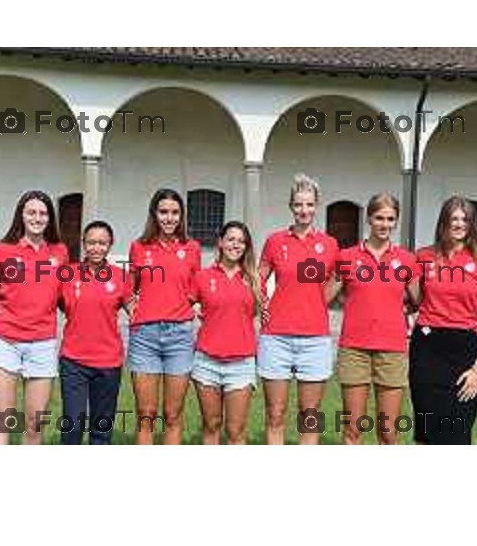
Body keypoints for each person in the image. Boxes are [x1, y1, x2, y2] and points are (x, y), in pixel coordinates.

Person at [0, 190, 68, 445]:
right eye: (31, 212)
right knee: (5, 418)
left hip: (43, 345)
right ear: (21, 216)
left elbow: (64, 298)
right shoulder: (2, 250)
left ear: (50, 217)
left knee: (35, 425)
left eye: (43, 213)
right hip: (4, 342)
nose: (38, 218)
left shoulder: (59, 252)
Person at [408, 195, 477, 445]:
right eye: (454, 218)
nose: (459, 224)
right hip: (426, 349)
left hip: (464, 352)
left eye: (465, 219)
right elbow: (413, 301)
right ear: (443, 222)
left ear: (471, 224)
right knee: (426, 432)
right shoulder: (423, 256)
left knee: (458, 433)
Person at [326, 193, 417, 445]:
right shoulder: (347, 257)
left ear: (396, 222)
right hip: (354, 348)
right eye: (379, 218)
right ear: (368, 219)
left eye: (390, 219)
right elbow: (322, 297)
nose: (384, 224)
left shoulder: (407, 260)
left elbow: (420, 300)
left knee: (389, 433)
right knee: (353, 431)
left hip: (392, 350)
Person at [258, 173, 338, 445]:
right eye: (298, 204)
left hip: (315, 339)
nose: (304, 210)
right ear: (291, 207)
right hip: (276, 338)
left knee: (310, 415)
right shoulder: (275, 241)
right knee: (275, 414)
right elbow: (258, 278)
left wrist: (316, 303)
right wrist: (263, 305)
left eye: (309, 204)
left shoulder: (329, 245)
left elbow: (336, 282)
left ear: (316, 206)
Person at [128, 189, 201, 444]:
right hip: (144, 337)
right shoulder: (139, 247)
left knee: (173, 415)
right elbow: (130, 287)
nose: (169, 218)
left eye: (174, 213)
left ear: (181, 217)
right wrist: (133, 308)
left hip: (179, 336)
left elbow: (194, 289)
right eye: (163, 212)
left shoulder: (192, 248)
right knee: (146, 415)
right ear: (154, 214)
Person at [58, 221, 134, 445]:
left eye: (102, 243)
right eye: (91, 242)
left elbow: (135, 309)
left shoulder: (121, 276)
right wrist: (0, 304)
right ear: (83, 244)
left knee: (102, 428)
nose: (96, 248)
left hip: (108, 362)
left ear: (110, 245)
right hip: (73, 361)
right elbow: (45, 300)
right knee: (73, 423)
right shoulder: (67, 274)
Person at [190, 221, 258, 445]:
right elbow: (186, 305)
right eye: (231, 239)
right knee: (211, 425)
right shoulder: (202, 277)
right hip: (206, 362)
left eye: (241, 241)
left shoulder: (254, 280)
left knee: (236, 430)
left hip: (241, 364)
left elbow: (261, 312)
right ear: (220, 242)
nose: (235, 245)